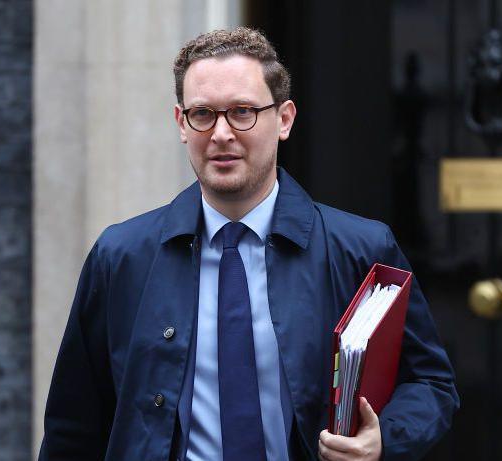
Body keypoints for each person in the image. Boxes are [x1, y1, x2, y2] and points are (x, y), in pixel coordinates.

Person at [39, 27, 458, 461]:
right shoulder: (122, 256)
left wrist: (383, 438)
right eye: (203, 114)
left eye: (242, 112)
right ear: (182, 124)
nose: (221, 133)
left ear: (284, 119)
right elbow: (74, 424)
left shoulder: (361, 248)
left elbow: (430, 383)